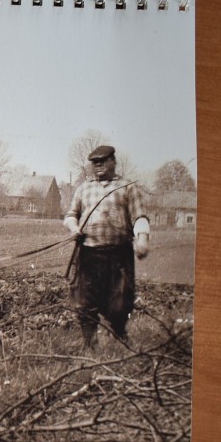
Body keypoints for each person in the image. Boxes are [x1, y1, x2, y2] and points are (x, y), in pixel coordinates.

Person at [64, 145, 150, 347]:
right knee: (84, 303)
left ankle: (119, 334)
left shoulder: (127, 187)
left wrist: (143, 239)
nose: (99, 165)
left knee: (120, 304)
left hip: (118, 255)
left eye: (103, 161)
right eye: (95, 162)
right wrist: (73, 228)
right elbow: (70, 215)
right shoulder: (84, 188)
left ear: (113, 161)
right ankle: (91, 345)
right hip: (88, 254)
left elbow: (140, 216)